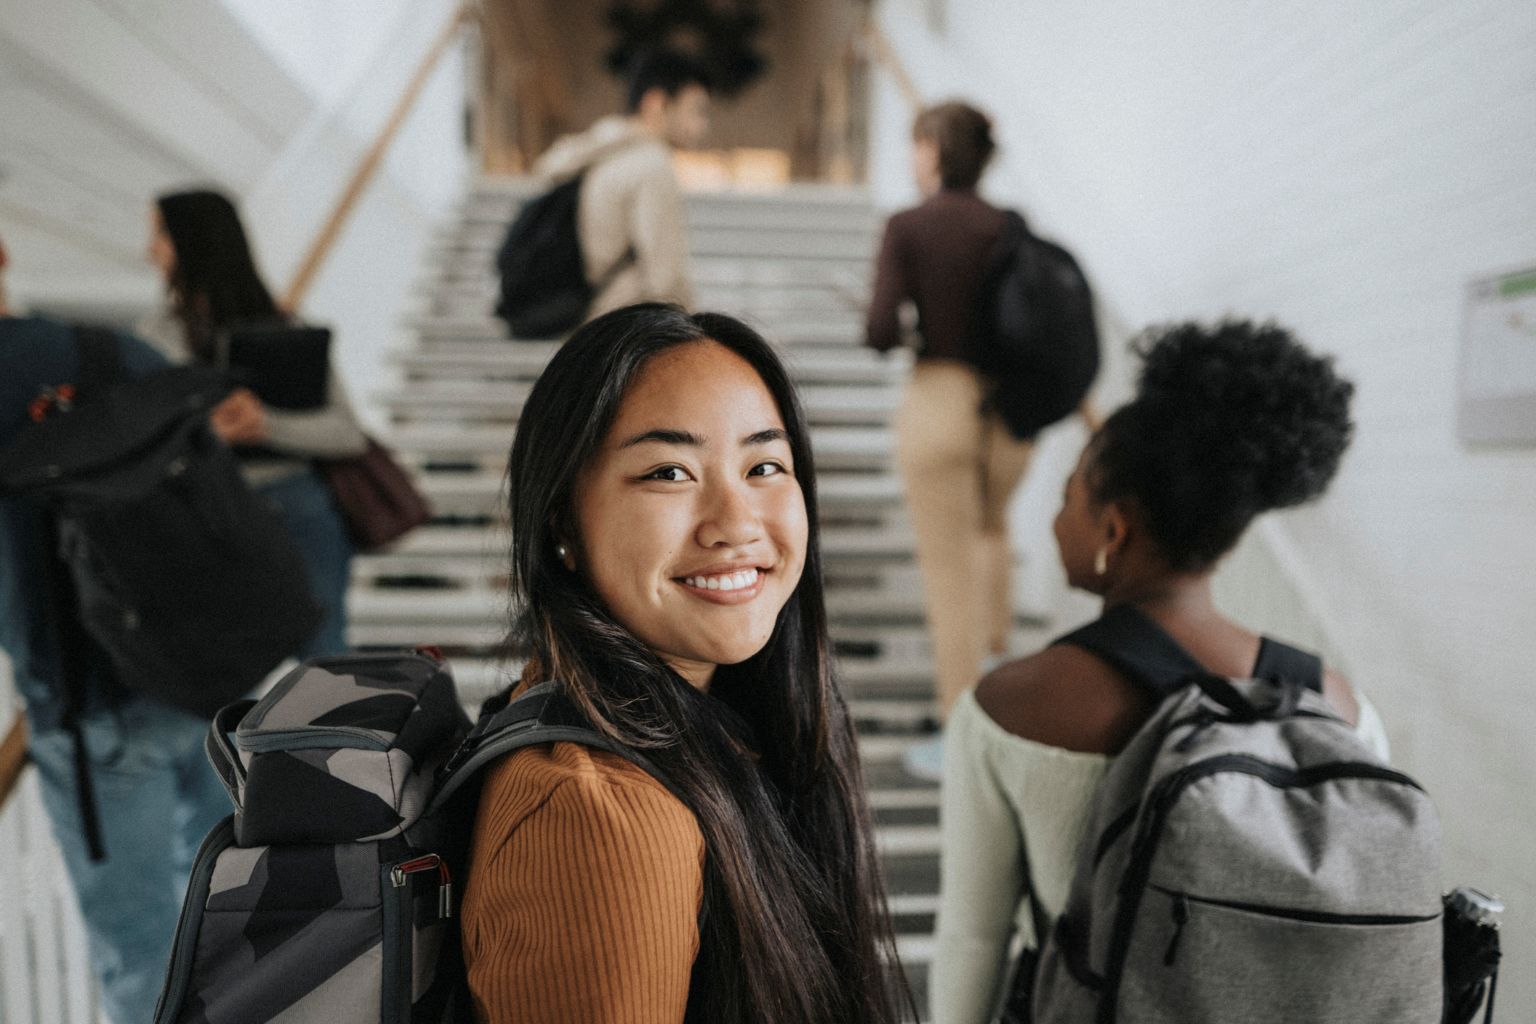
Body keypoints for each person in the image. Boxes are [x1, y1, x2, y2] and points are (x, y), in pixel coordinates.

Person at [460, 304, 912, 1024]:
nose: (735, 524)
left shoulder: (710, 731)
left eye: (764, 465)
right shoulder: (602, 813)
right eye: (669, 472)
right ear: (562, 524)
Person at [930, 320, 1390, 1024]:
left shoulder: (1009, 706)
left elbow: (974, 937)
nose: (1054, 516)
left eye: (1067, 494)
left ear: (1115, 529)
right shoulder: (1340, 706)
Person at [0, 235, 231, 1024]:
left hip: (84, 709)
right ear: (3, 255)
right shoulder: (121, 354)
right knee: (228, 923)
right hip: (204, 685)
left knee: (140, 953)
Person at [865, 100, 1034, 779]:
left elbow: (880, 328)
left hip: (939, 399)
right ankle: (1001, 693)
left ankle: (964, 737)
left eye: (915, 145)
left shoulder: (909, 225)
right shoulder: (1009, 226)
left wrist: (899, 329)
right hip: (1007, 414)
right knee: (992, 537)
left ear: (934, 148)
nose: (912, 158)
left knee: (948, 572)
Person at [140, 188, 365, 656]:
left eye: (160, 234)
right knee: (221, 666)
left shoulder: (288, 328)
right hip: (208, 508)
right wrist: (207, 433)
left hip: (294, 506)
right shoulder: (152, 335)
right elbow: (143, 440)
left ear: (194, 240)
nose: (149, 250)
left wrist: (266, 424)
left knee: (323, 666)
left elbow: (346, 434)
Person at [532, 48, 711, 318]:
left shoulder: (600, 154)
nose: (703, 126)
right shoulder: (652, 165)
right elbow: (666, 280)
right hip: (623, 329)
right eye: (696, 110)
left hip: (588, 322)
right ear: (657, 103)